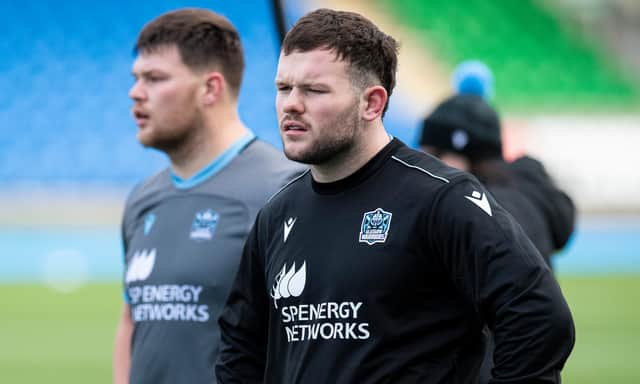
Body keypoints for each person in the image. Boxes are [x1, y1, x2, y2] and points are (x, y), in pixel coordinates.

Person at [216, 8, 574, 384]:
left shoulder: (439, 198)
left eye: (314, 90)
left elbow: (538, 316)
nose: (291, 104)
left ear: (372, 103)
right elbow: (241, 349)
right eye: (283, 88)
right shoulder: (277, 214)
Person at [112, 8, 305, 384]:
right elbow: (131, 318)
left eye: (154, 78)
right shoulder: (142, 199)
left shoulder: (286, 191)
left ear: (210, 88)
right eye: (136, 78)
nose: (135, 93)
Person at [420, 93, 576, 269]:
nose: (425, 166)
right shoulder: (525, 193)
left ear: (463, 155)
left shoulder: (478, 210)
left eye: (433, 155)